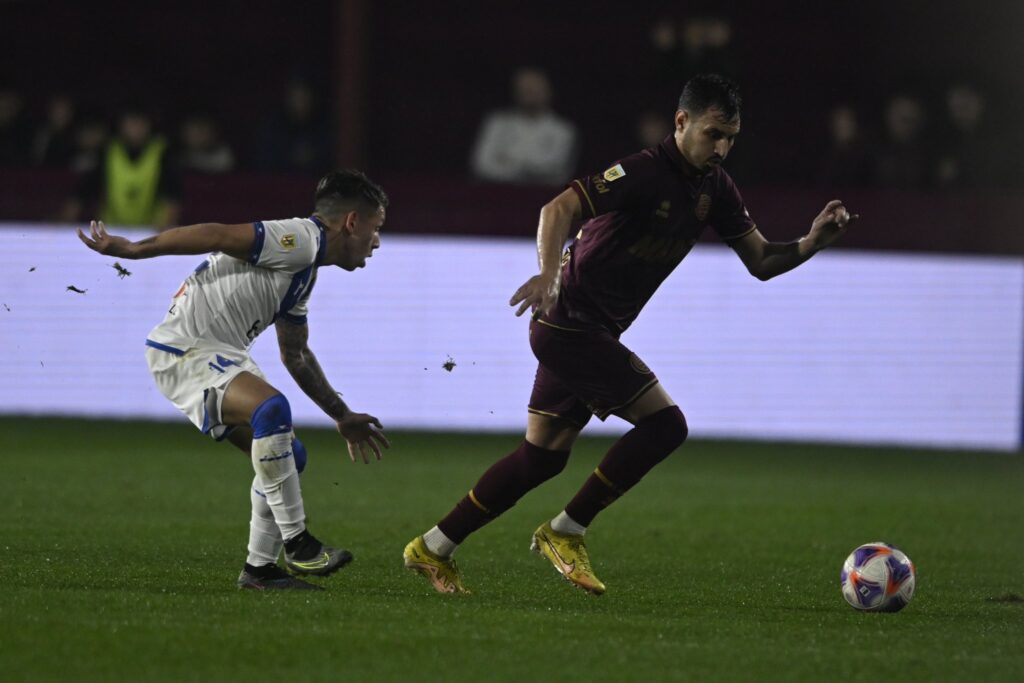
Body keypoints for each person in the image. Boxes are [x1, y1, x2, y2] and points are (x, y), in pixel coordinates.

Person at [404, 74, 856, 595]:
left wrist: (811, 242)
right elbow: (558, 209)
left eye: (731, 137)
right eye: (714, 134)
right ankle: (565, 532)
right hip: (568, 323)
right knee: (666, 425)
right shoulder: (644, 172)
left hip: (590, 330)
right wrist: (549, 274)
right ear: (681, 122)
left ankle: (433, 548)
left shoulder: (715, 188)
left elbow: (760, 260)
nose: (723, 148)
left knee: (542, 457)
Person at [78, 169, 391, 590]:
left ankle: (259, 570)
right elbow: (218, 234)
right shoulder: (302, 238)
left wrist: (342, 415)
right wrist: (135, 248)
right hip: (185, 350)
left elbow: (295, 355)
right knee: (272, 409)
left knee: (288, 455)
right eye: (376, 227)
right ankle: (298, 544)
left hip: (217, 354)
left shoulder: (304, 270)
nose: (377, 240)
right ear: (352, 222)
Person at [67, 109, 182, 228]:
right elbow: (84, 190)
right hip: (111, 230)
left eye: (140, 123)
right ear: (121, 125)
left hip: (151, 232)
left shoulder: (162, 151)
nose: (136, 128)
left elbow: (173, 196)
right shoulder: (108, 149)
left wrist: (164, 229)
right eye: (131, 123)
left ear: (149, 125)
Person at [470, 67, 578, 186]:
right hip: (497, 194)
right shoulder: (497, 123)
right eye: (524, 87)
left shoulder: (563, 130)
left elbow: (557, 172)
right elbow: (481, 165)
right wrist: (529, 170)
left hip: (543, 198)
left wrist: (508, 162)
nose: (529, 91)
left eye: (534, 87)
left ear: (548, 90)